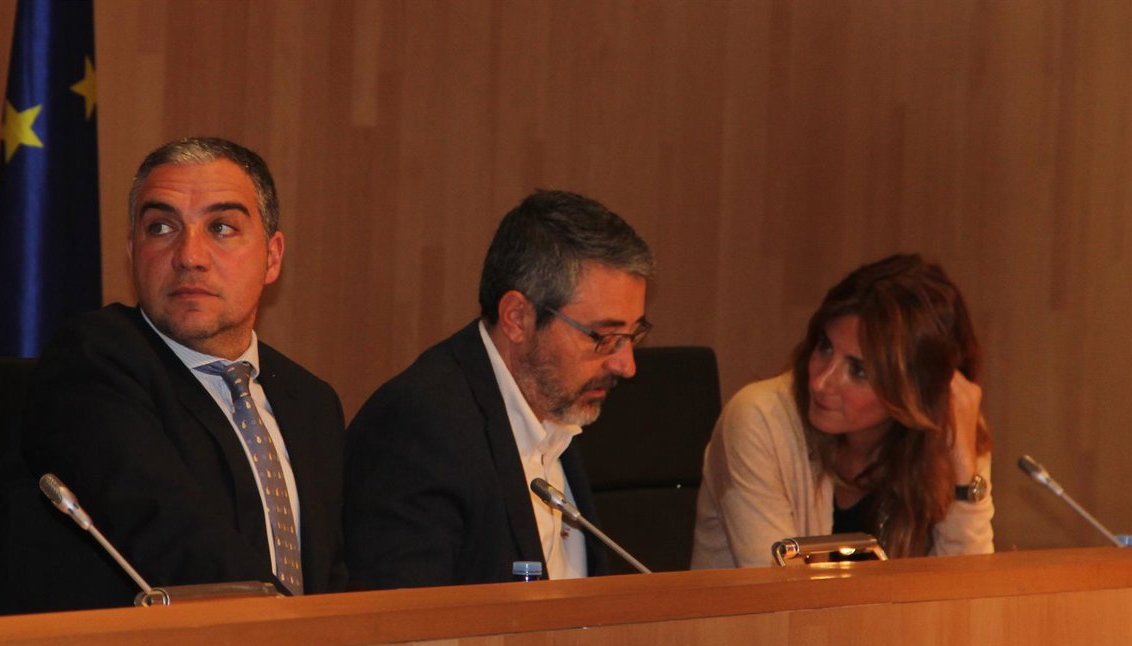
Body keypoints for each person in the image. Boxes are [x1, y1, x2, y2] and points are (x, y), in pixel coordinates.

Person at [0, 137, 347, 613]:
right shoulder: (92, 365)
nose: (189, 256)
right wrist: (297, 630)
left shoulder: (311, 402)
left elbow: (335, 573)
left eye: (221, 227)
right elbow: (176, 537)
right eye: (161, 228)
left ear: (272, 257)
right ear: (132, 251)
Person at [344, 189, 654, 588]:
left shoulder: (562, 404)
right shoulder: (417, 428)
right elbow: (407, 617)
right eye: (604, 337)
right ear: (517, 318)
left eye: (634, 334)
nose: (626, 366)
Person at [691, 254, 994, 569]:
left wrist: (964, 478)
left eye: (858, 370)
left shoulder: (952, 430)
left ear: (914, 393)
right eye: (825, 346)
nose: (820, 382)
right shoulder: (759, 420)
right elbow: (781, 591)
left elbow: (970, 589)